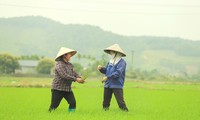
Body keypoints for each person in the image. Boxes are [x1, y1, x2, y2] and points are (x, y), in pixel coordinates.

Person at [49, 47, 85, 112]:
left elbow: (74, 73)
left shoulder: (70, 65)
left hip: (67, 89)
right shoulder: (59, 64)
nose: (70, 55)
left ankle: (71, 116)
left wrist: (80, 78)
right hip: (58, 89)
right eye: (69, 54)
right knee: (54, 106)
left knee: (73, 103)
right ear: (64, 55)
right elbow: (64, 75)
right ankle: (49, 115)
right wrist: (76, 79)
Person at [97, 44, 129, 112]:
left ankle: (126, 114)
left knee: (121, 103)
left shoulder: (122, 62)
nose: (111, 53)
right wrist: (101, 69)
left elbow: (118, 73)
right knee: (105, 102)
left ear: (117, 53)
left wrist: (107, 77)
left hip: (117, 84)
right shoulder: (110, 61)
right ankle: (105, 114)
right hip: (108, 84)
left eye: (112, 52)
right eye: (111, 52)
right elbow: (107, 71)